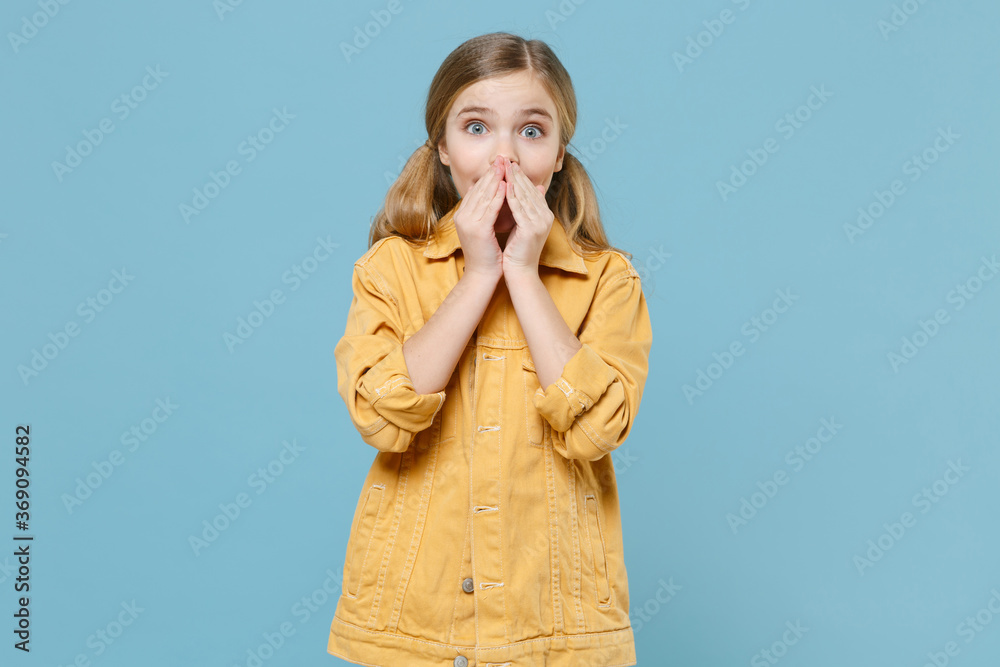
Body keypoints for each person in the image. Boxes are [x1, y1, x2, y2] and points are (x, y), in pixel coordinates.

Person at [327, 31, 652, 667]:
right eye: (477, 127)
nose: (504, 158)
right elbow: (380, 418)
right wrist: (479, 275)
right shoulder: (390, 269)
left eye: (531, 132)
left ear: (559, 155)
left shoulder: (609, 280)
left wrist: (524, 275)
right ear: (443, 149)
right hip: (413, 624)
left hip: (559, 624)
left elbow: (596, 432)